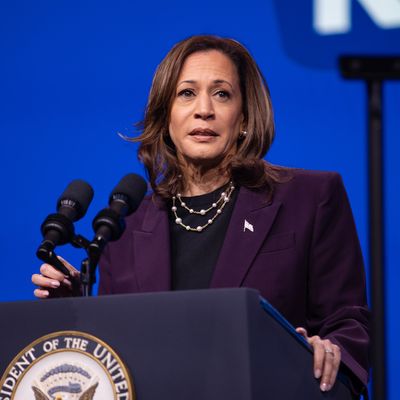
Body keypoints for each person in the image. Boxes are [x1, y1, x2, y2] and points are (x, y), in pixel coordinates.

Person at [32, 35, 369, 397]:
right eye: (186, 94)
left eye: (222, 94)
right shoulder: (124, 226)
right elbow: (118, 356)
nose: (204, 109)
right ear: (166, 116)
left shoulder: (309, 197)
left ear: (244, 117)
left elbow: (349, 323)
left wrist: (329, 351)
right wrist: (72, 311)